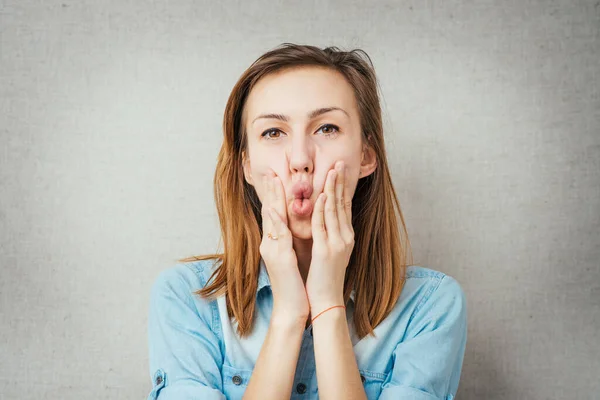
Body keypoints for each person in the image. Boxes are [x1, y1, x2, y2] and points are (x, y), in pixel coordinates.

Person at [146, 43, 467, 400]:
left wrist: (328, 305)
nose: (300, 159)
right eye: (273, 132)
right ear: (246, 166)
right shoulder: (186, 299)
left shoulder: (430, 306)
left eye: (327, 128)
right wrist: (288, 314)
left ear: (366, 155)